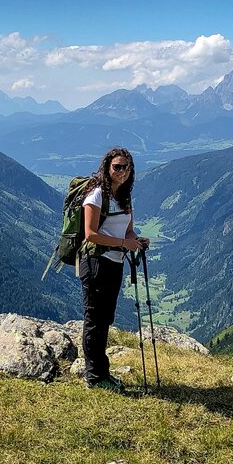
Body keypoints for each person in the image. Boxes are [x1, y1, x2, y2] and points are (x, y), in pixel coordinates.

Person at [79, 147, 150, 392]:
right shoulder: (96, 195)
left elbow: (127, 230)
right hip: (96, 263)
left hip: (115, 263)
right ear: (107, 168)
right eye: (117, 167)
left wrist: (136, 240)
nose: (122, 171)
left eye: (126, 167)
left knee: (105, 318)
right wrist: (123, 243)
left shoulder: (124, 197)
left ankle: (102, 373)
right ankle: (94, 377)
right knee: (95, 320)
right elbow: (90, 235)